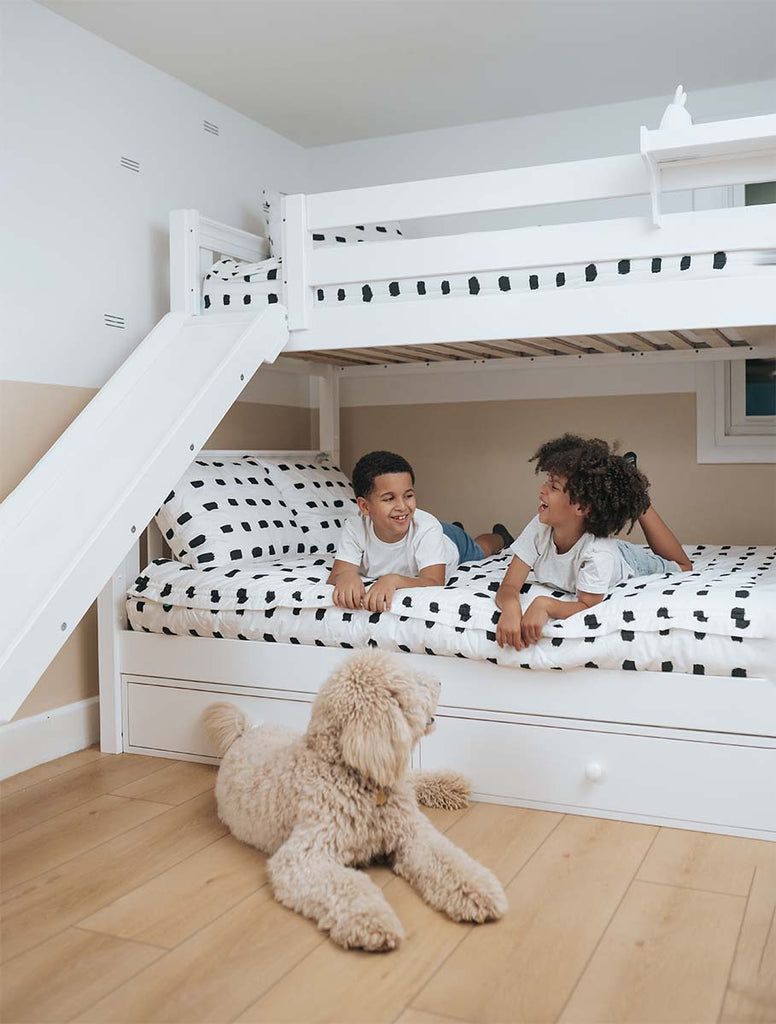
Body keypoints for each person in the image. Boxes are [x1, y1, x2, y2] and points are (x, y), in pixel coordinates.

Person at [495, 435, 692, 650]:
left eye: (553, 487)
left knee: (682, 566)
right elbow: (509, 586)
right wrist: (511, 609)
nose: (541, 490)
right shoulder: (540, 525)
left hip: (625, 559)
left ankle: (639, 500)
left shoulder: (598, 553)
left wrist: (546, 605)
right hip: (600, 543)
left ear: (580, 508)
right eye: (547, 481)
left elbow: (587, 605)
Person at [328, 450, 514, 612]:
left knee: (479, 550)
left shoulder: (426, 528)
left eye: (408, 495)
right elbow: (337, 574)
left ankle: (501, 536)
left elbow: (434, 582)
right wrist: (346, 576)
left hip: (449, 540)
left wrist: (393, 580)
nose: (402, 506)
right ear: (364, 507)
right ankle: (456, 526)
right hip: (429, 533)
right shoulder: (355, 527)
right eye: (389, 499)